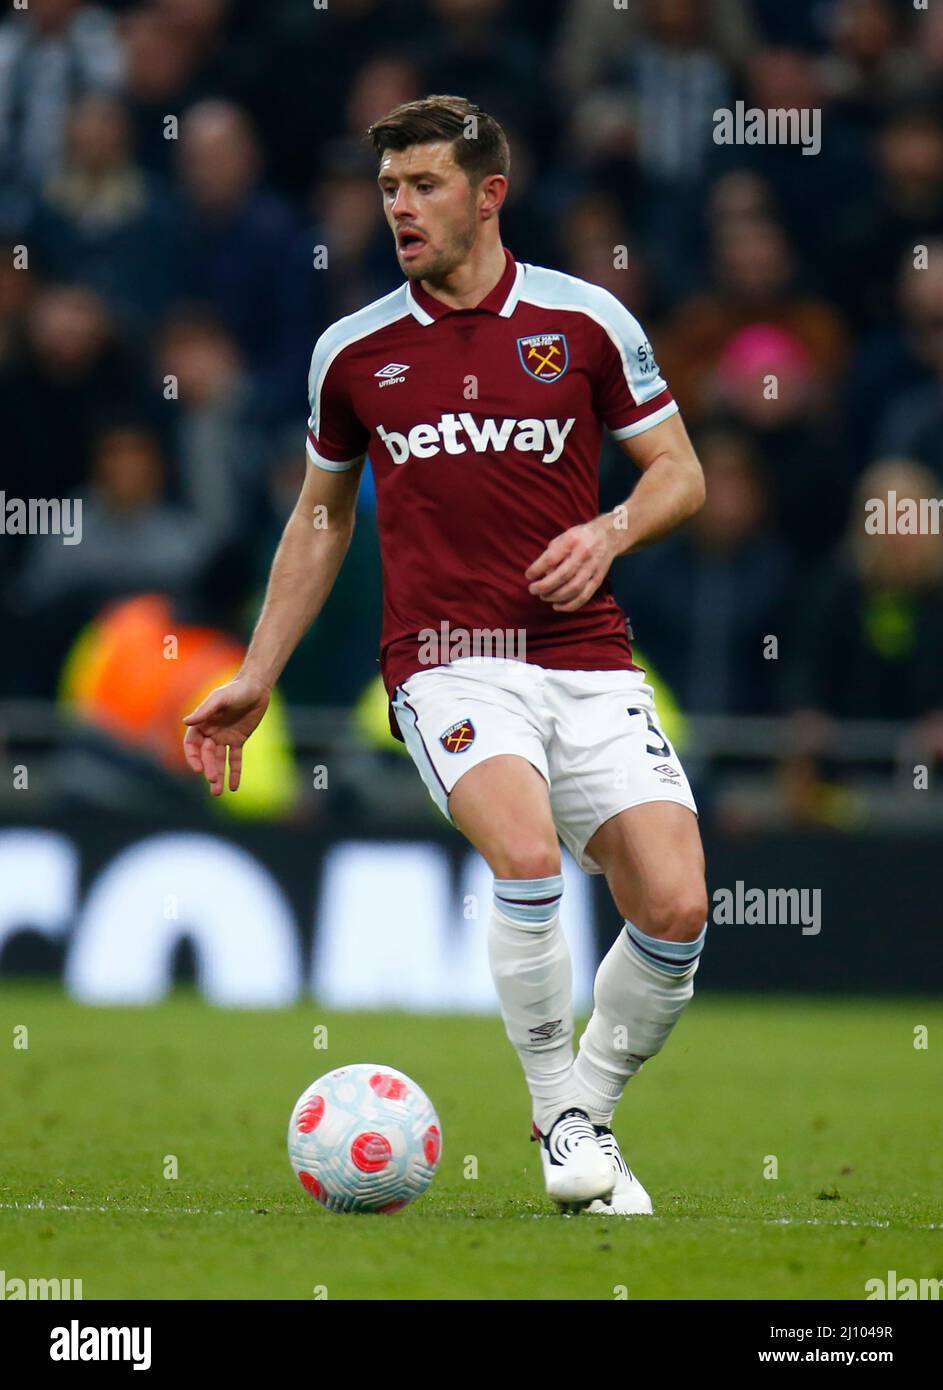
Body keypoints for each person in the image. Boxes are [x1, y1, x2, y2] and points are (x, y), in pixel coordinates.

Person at [182, 95, 707, 1216]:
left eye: (422, 186)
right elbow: (321, 520)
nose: (401, 210)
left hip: (589, 658)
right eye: (388, 190)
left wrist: (609, 529)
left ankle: (586, 1109)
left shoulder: (585, 323)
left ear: (488, 195)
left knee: (673, 906)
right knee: (525, 859)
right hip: (445, 662)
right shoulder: (355, 349)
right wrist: (257, 672)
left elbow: (679, 472)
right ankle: (559, 1111)